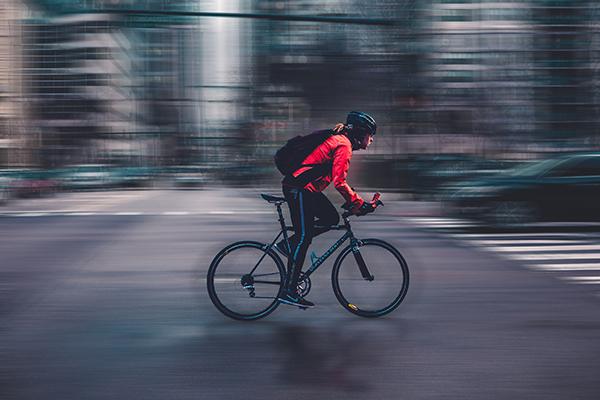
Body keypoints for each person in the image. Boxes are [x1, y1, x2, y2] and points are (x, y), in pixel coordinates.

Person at [276, 111, 378, 308]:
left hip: (305, 188)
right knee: (304, 237)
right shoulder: (344, 145)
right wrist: (357, 203)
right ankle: (289, 290)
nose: (372, 139)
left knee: (330, 218)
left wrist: (354, 201)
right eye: (370, 134)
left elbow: (335, 180)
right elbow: (340, 182)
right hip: (299, 188)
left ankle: (289, 246)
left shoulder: (340, 140)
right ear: (360, 133)